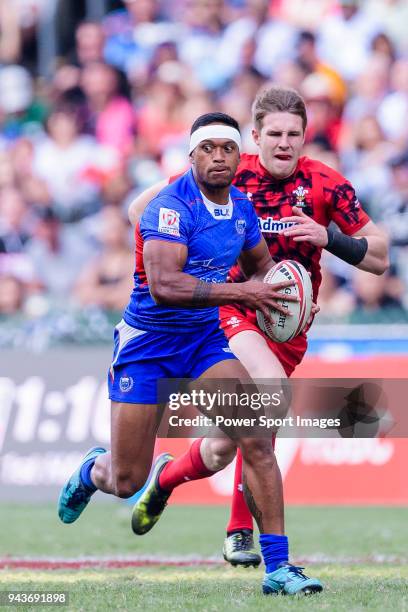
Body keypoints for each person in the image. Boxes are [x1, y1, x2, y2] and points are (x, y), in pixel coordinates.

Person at [58, 112, 322, 596]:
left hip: (203, 341)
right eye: (208, 149)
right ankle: (93, 470)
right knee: (126, 479)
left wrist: (289, 293)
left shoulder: (240, 208)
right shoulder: (170, 207)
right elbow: (165, 287)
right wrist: (244, 295)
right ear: (192, 156)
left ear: (239, 157)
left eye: (227, 148)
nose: (218, 157)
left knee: (257, 438)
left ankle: (279, 568)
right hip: (148, 345)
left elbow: (262, 267)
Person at [128, 85, 389, 568]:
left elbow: (380, 255)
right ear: (255, 135)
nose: (284, 143)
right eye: (274, 134)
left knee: (227, 446)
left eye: (293, 134)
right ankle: (240, 533)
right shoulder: (226, 171)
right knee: (266, 397)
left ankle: (165, 480)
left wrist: (328, 237)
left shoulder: (326, 185)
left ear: (305, 136)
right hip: (230, 309)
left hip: (286, 329)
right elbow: (139, 210)